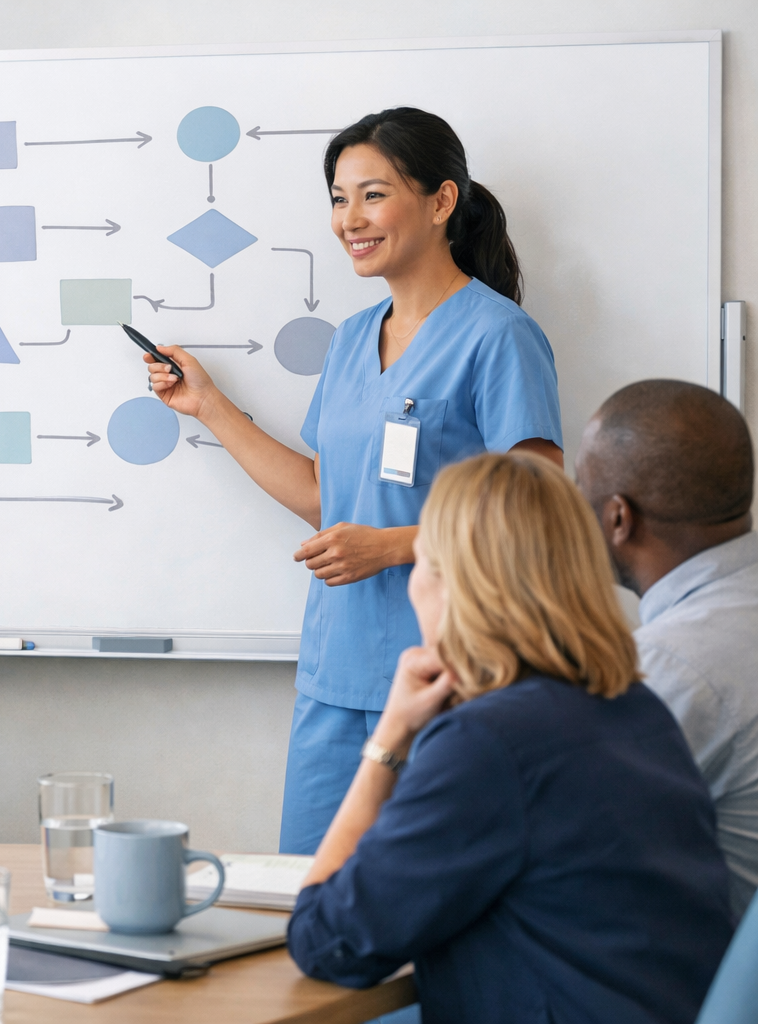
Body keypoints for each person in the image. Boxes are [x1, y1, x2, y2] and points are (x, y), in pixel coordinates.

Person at [144, 107, 564, 853]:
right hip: (335, 675)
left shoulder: (498, 336)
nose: (349, 219)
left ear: (441, 202)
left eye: (372, 194)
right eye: (339, 198)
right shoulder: (349, 340)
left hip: (450, 673)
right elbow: (323, 495)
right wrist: (206, 404)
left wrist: (396, 546)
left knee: (425, 907)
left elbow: (538, 509)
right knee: (311, 895)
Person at [286, 451, 732, 1024]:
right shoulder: (634, 708)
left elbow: (328, 942)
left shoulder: (488, 744)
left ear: (456, 584)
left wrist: (388, 743)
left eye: (422, 561)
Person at [575, 379, 757, 916]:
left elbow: (566, 848)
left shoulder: (667, 668)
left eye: (581, 489)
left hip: (691, 987)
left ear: (617, 518)